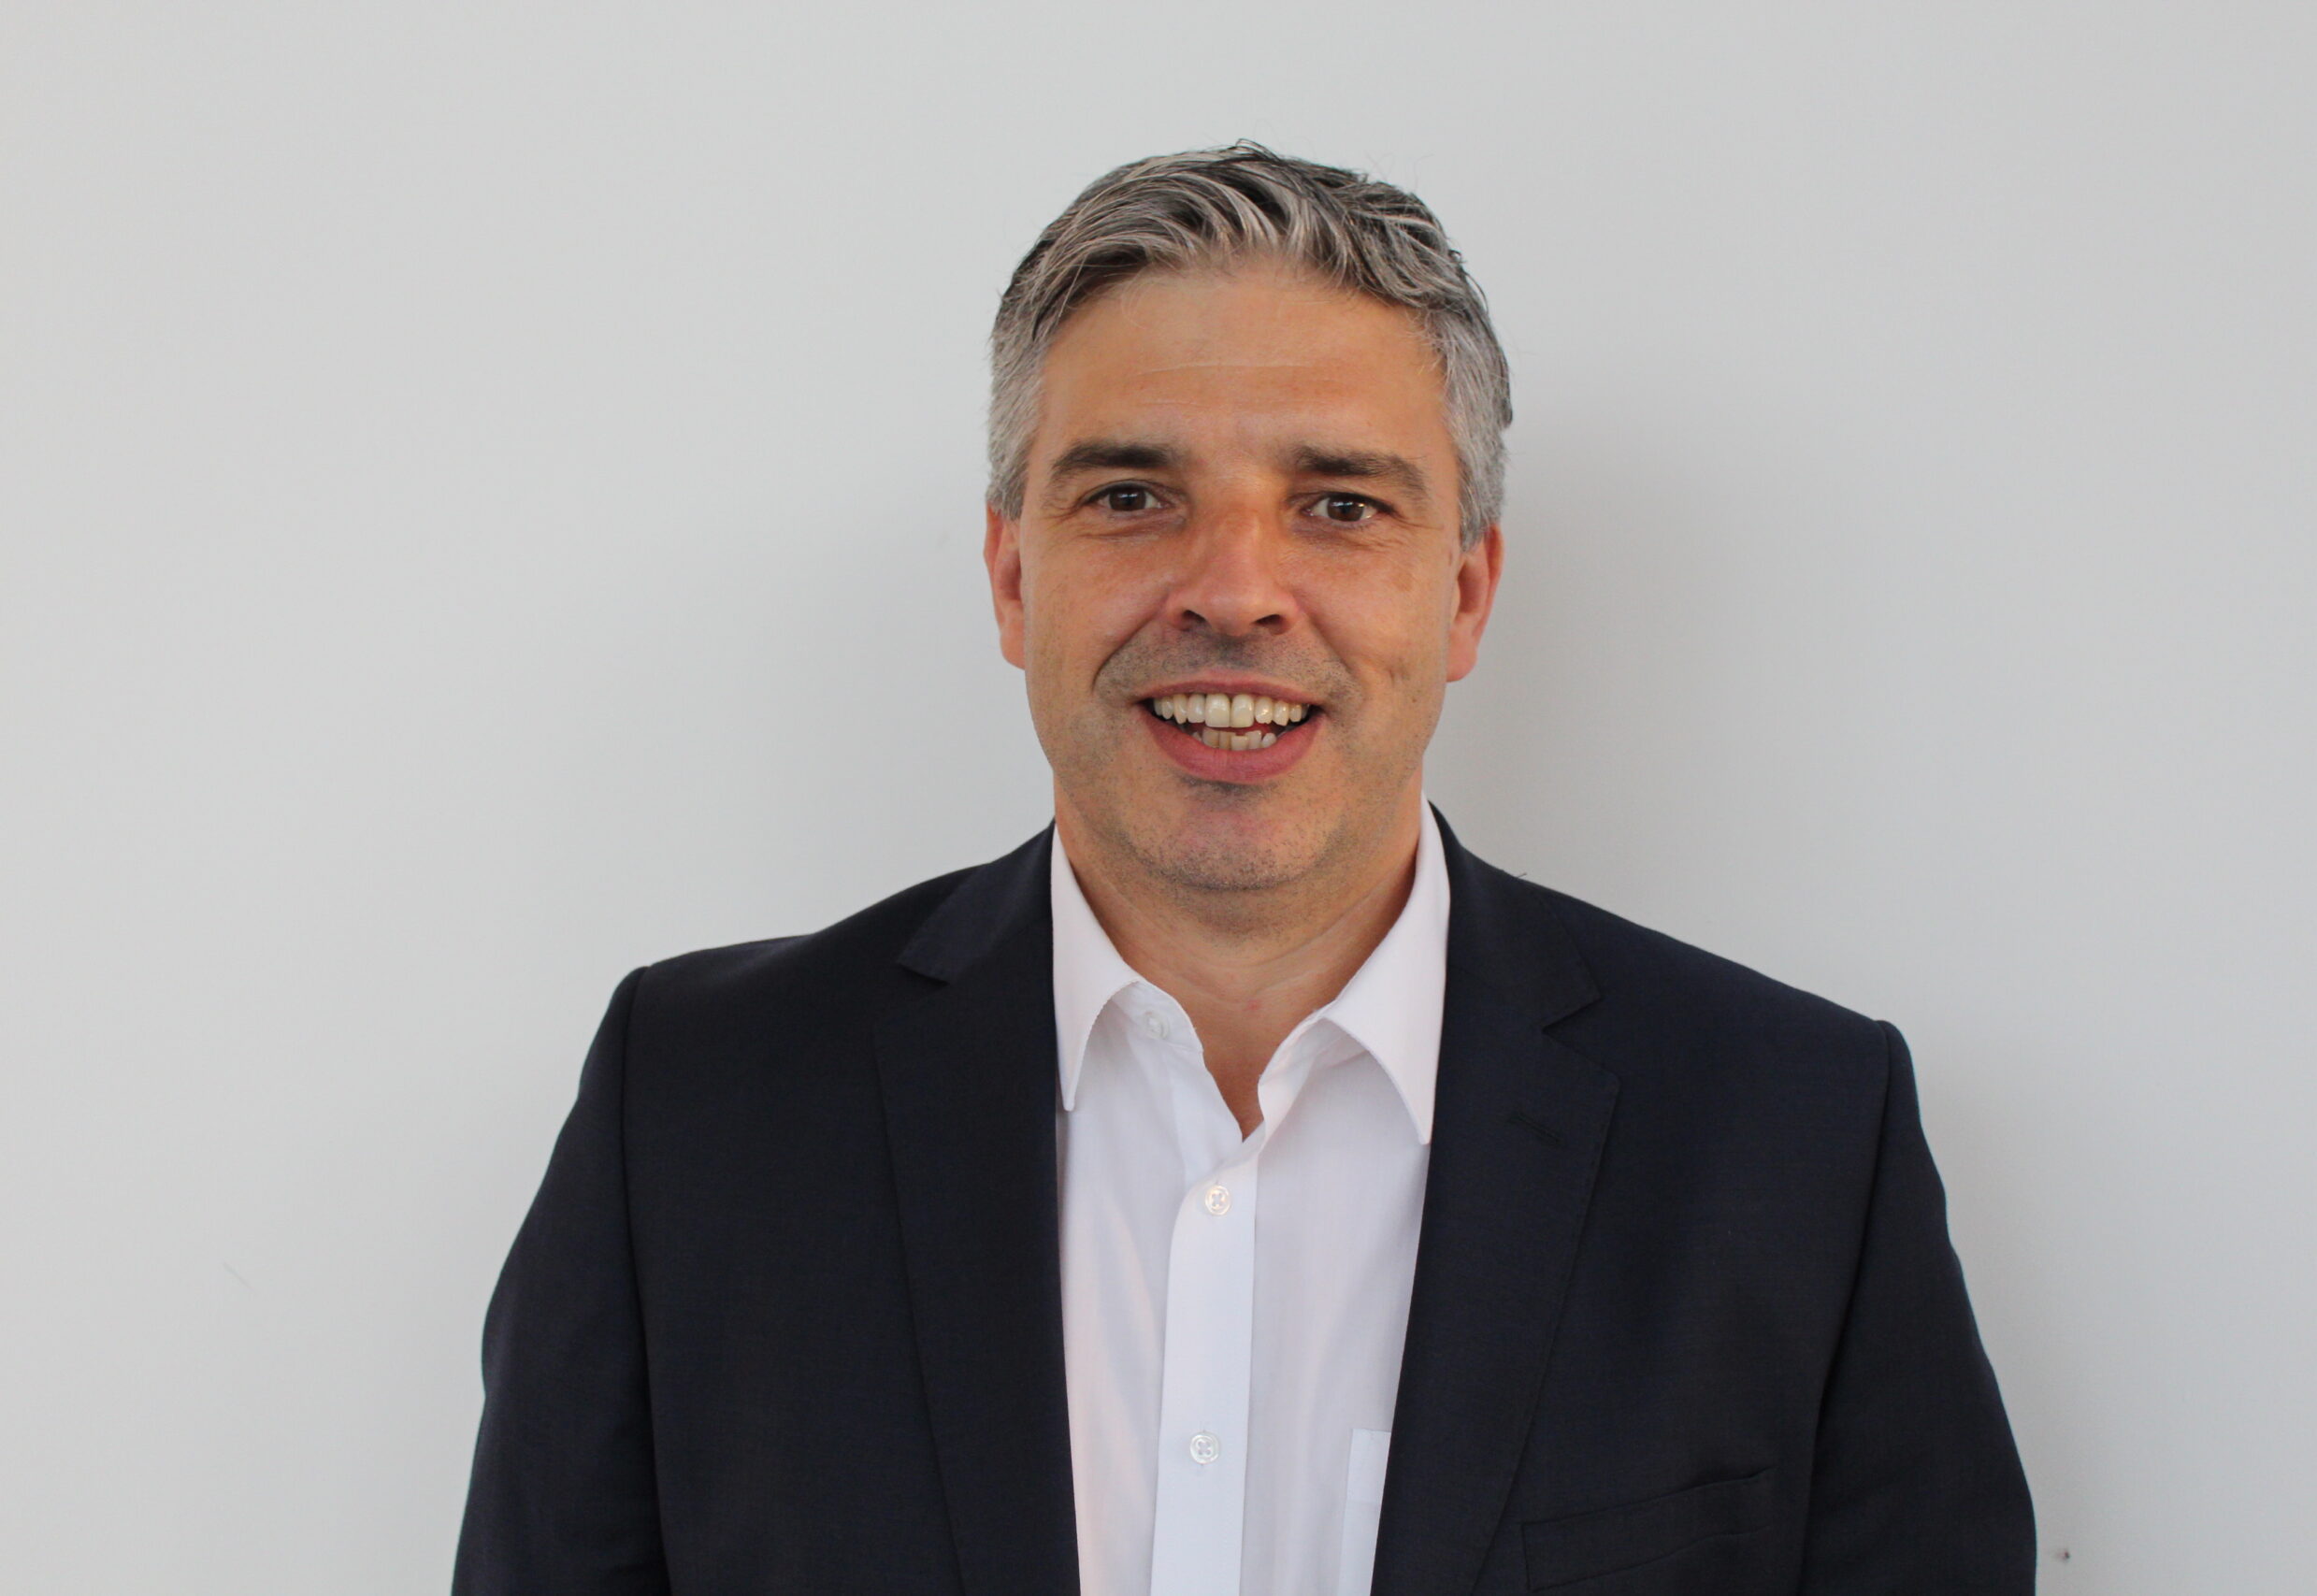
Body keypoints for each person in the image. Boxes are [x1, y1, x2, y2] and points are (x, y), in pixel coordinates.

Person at [453, 143, 2035, 1596]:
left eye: (1339, 505)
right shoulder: (694, 1116)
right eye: (1133, 497)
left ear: (1465, 594)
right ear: (1012, 578)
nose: (1234, 592)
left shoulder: (1795, 1144)